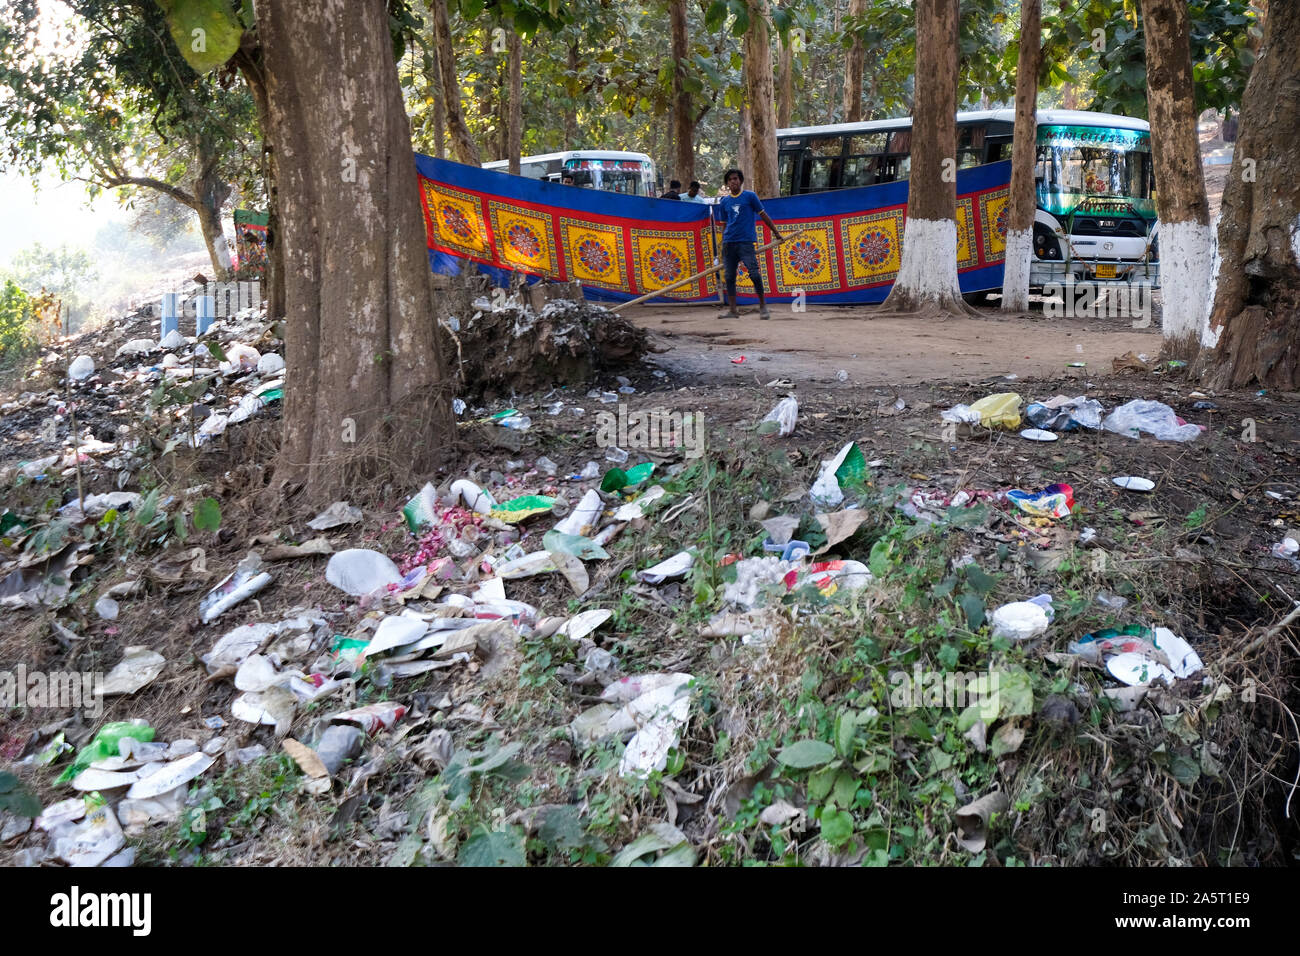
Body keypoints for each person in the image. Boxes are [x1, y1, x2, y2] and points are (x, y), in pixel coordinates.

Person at [711, 168, 783, 320]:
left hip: (746, 242)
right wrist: (722, 245)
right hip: (729, 243)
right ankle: (732, 311)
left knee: (754, 274)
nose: (733, 181)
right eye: (730, 179)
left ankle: (763, 307)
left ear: (741, 181)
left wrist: (776, 233)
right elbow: (724, 225)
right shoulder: (724, 202)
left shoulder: (750, 196)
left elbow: (763, 215)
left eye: (736, 178)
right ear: (727, 183)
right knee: (729, 277)